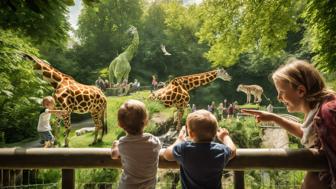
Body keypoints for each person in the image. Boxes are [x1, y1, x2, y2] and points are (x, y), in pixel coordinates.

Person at [242, 58, 336, 189]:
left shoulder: (328, 113)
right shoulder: (316, 112)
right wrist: (275, 118)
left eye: (281, 92)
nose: (279, 98)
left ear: (301, 91)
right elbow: (306, 133)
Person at [160, 110, 236, 189]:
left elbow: (166, 154)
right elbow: (233, 150)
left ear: (191, 133)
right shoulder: (220, 150)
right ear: (215, 133)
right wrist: (225, 137)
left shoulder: (184, 149)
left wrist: (179, 140)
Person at [111, 99, 161, 189]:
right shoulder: (154, 141)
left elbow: (114, 155)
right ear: (146, 122)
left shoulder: (123, 143)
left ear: (120, 124)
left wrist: (115, 144)